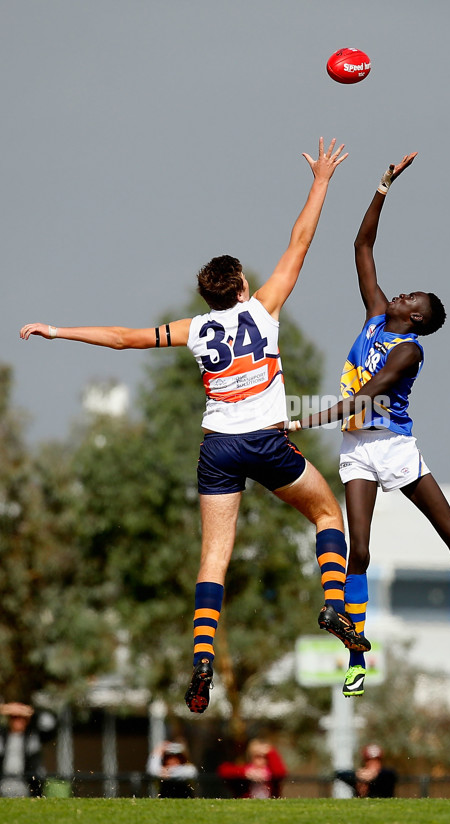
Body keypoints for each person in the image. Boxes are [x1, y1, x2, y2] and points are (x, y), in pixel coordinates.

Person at [19, 137, 369, 717]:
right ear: (240, 288)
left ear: (207, 294)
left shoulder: (195, 330)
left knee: (214, 558)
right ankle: (335, 605)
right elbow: (300, 241)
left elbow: (125, 339)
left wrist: (58, 331)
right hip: (267, 442)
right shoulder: (263, 309)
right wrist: (322, 180)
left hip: (218, 450)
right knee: (328, 514)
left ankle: (202, 656)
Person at [291, 153, 450, 698]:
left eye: (413, 298)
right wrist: (383, 185)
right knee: (358, 552)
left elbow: (364, 400)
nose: (404, 293)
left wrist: (301, 419)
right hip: (357, 451)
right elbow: (362, 247)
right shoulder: (373, 314)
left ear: (416, 317)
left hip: (393, 447)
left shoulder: (408, 350)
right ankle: (357, 651)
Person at [0, 703, 48, 797]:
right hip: (4, 781)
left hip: (26, 782)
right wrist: (4, 708)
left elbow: (49, 722)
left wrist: (31, 711)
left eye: (21, 718)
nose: (18, 721)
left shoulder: (33, 736)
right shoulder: (2, 736)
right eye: (14, 717)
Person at [217, 738, 287, 799]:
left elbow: (280, 772)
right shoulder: (245, 770)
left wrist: (270, 751)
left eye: (265, 756)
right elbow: (223, 771)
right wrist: (246, 773)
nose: (261, 760)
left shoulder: (272, 772)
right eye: (257, 756)